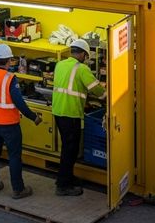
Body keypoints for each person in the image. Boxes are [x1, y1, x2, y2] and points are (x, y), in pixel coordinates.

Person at [0, 44, 42, 199]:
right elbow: (19, 103)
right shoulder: (9, 79)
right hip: (9, 125)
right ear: (9, 61)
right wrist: (34, 117)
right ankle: (18, 189)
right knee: (14, 156)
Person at [52, 38, 106, 196]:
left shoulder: (60, 64)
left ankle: (67, 177)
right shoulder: (81, 68)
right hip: (71, 113)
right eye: (86, 56)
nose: (86, 59)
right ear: (82, 54)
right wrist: (107, 92)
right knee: (70, 150)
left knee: (67, 147)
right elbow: (98, 91)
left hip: (58, 111)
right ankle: (63, 185)